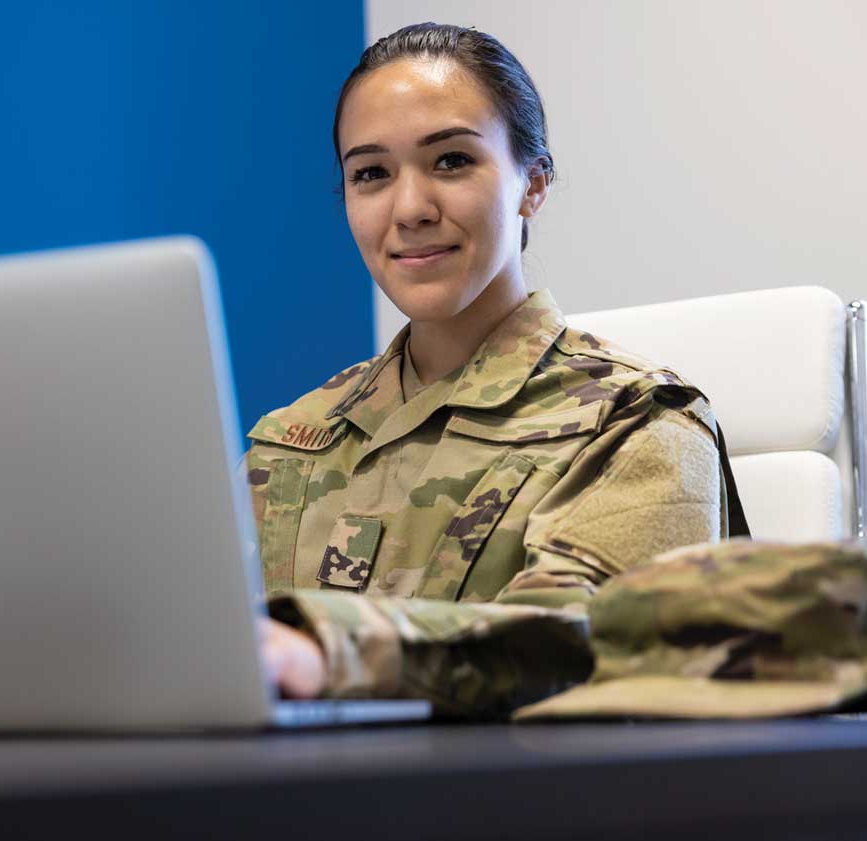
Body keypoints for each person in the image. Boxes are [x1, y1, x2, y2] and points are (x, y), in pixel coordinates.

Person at [249, 23, 742, 717]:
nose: (411, 209)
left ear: (531, 185)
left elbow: (588, 644)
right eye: (371, 174)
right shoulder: (291, 439)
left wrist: (329, 652)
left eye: (451, 161)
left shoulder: (640, 425)